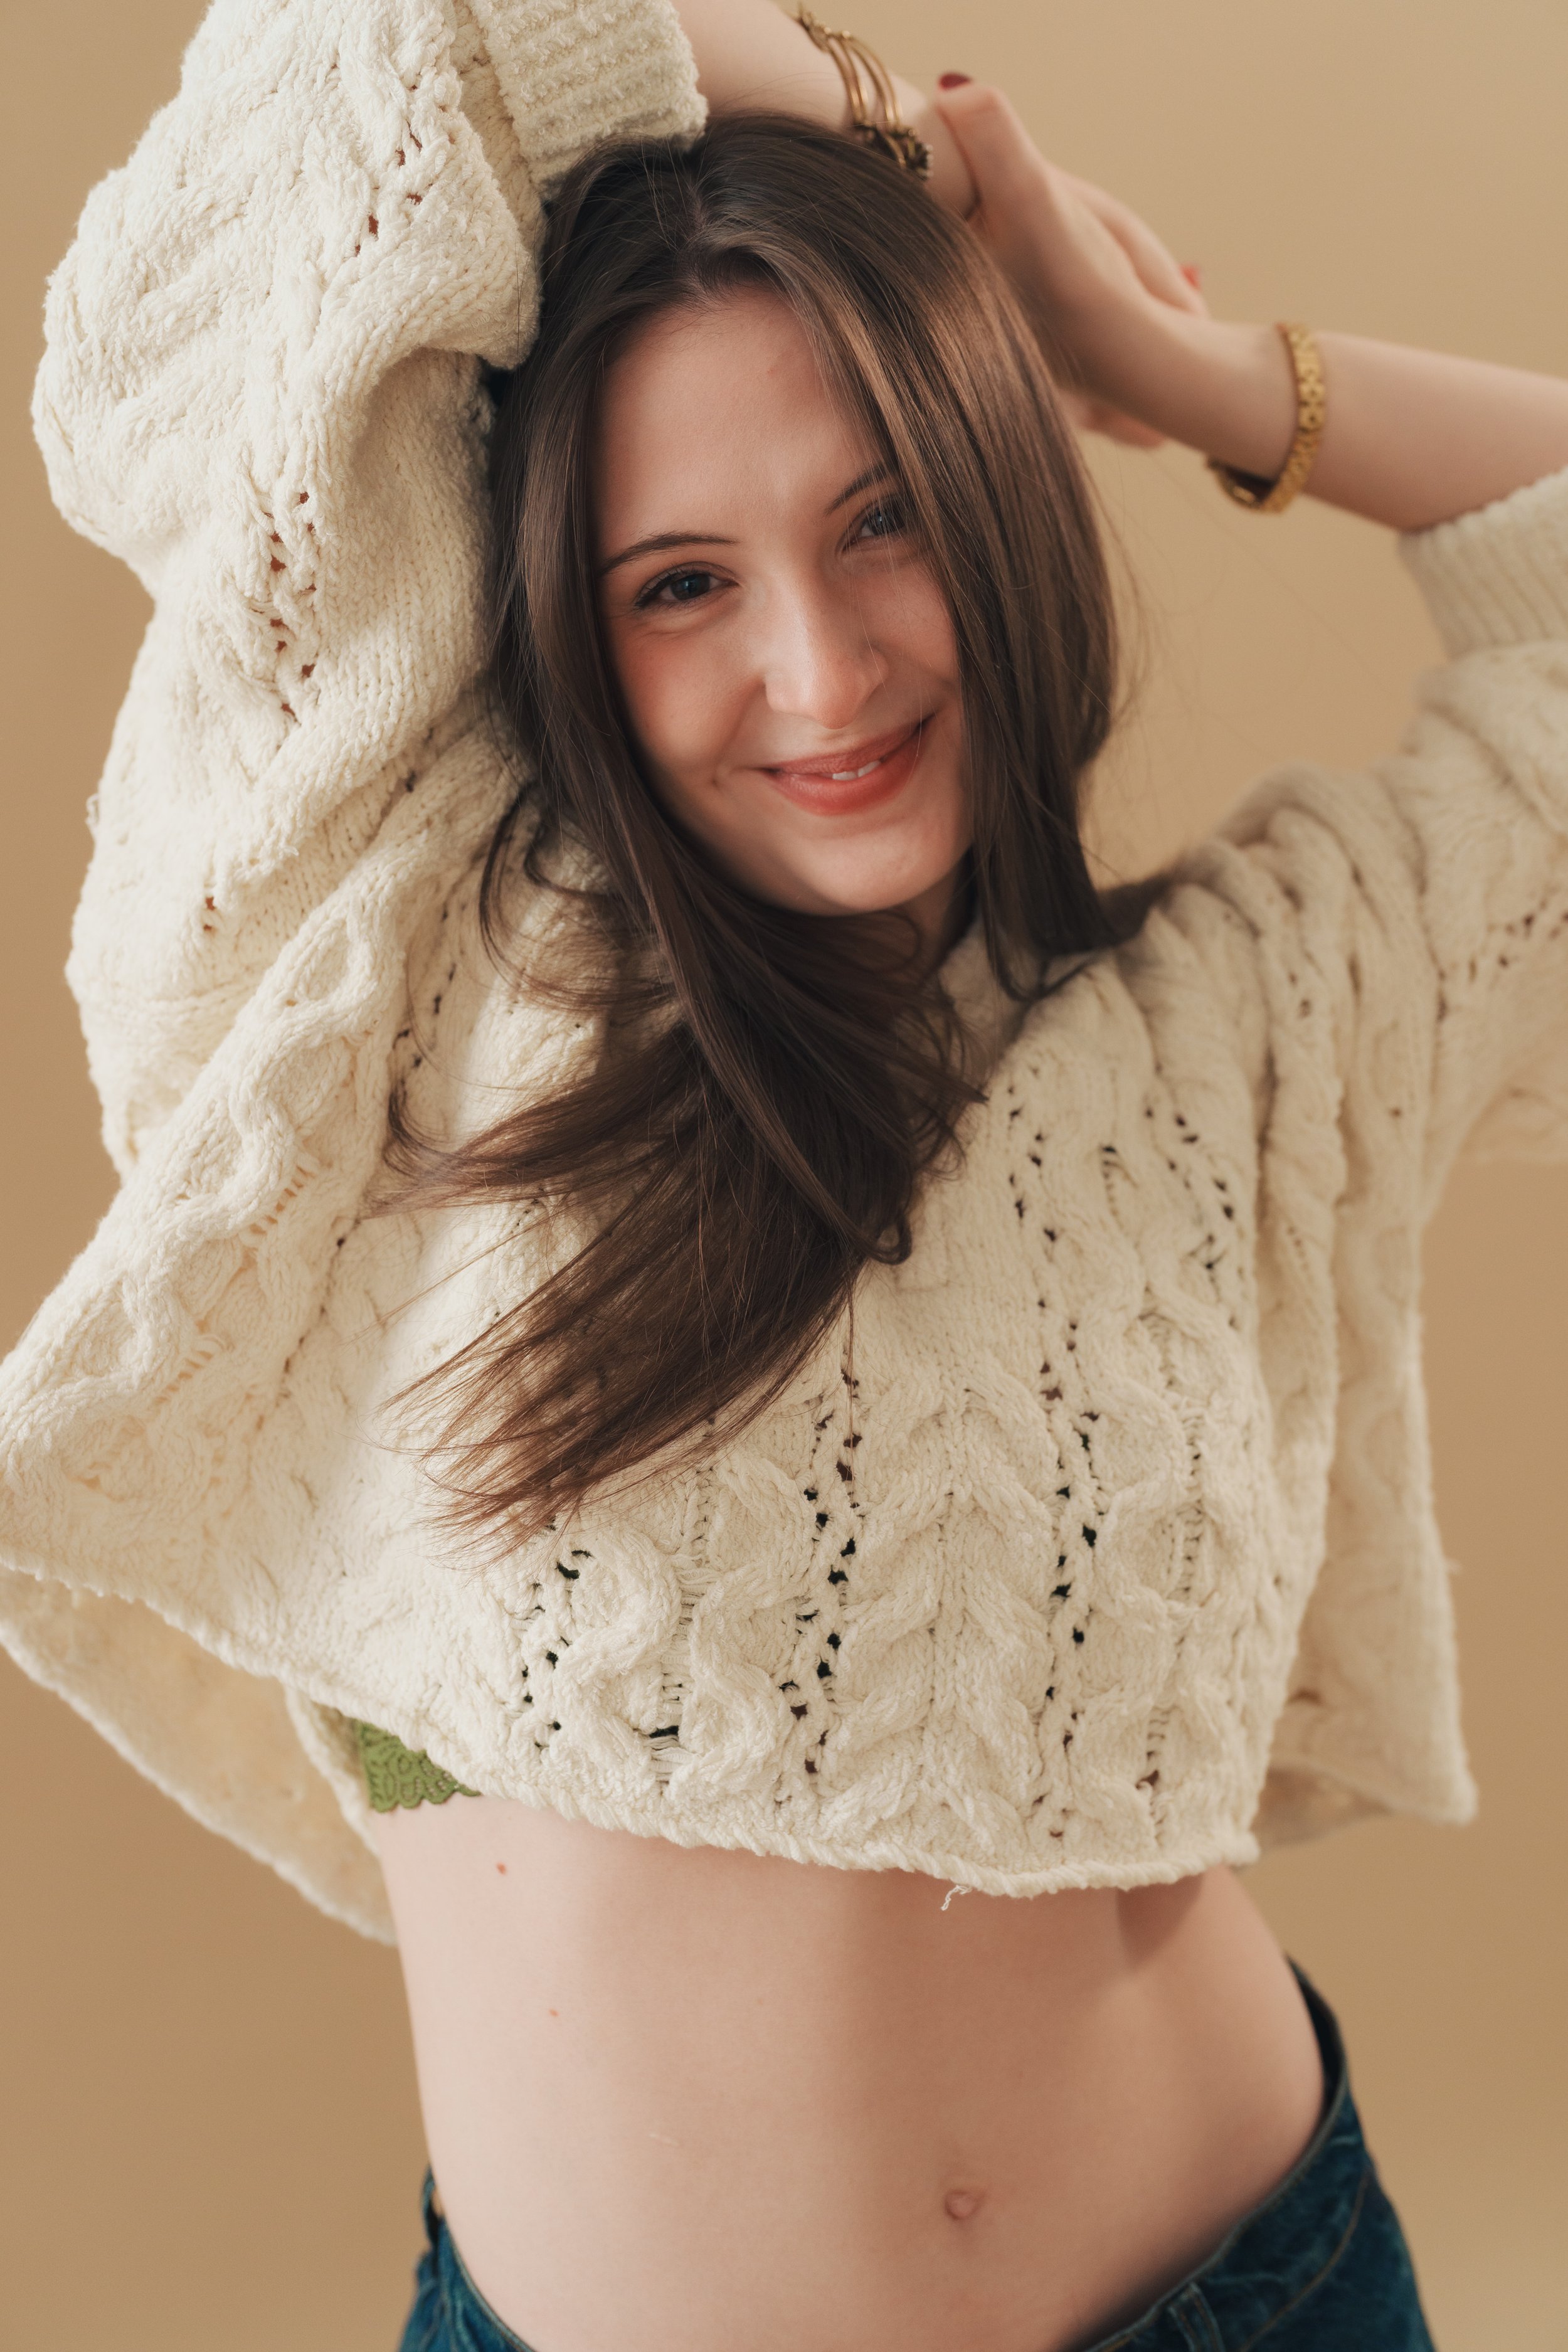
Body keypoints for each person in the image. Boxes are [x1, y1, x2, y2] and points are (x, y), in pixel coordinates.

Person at [6, 2, 1567, 2347]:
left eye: (885, 519)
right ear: (566, 624)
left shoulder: (1249, 1014)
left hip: (1262, 2287)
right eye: (680, 585)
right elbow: (371, 48)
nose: (822, 674)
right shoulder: (400, 957)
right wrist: (877, 122)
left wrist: (1166, 359)